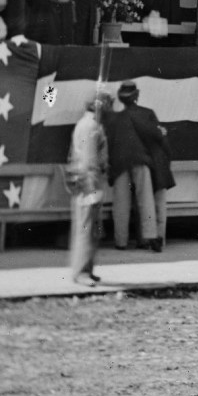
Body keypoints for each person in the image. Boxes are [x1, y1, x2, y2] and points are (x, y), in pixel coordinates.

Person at [113, 81, 173, 250]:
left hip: (119, 163)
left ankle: (121, 241)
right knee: (145, 200)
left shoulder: (116, 118)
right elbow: (157, 136)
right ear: (137, 95)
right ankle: (150, 237)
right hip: (142, 161)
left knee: (121, 203)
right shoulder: (147, 114)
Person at [67, 91, 112, 286]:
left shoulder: (89, 124)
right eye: (108, 104)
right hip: (89, 183)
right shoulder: (91, 126)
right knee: (86, 229)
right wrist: (92, 189)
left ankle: (86, 269)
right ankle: (82, 272)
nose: (110, 109)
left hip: (88, 182)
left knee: (90, 229)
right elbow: (88, 160)